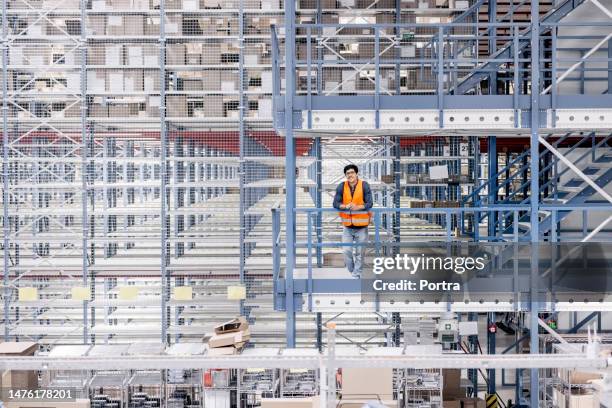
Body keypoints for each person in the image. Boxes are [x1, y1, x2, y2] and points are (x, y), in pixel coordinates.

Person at [333, 164, 373, 278]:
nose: (350, 175)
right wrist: (345, 206)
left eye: (352, 172)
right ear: (346, 175)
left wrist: (358, 207)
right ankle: (352, 271)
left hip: (362, 226)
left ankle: (356, 274)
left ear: (356, 174)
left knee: (360, 253)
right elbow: (335, 203)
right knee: (346, 251)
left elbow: (369, 203)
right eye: (347, 173)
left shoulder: (364, 185)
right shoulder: (342, 186)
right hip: (347, 226)